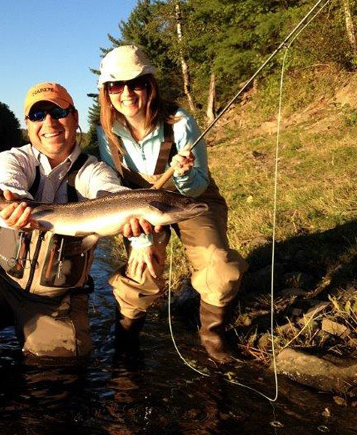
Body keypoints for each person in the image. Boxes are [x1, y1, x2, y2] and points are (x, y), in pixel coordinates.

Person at [0, 82, 153, 364]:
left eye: (58, 112)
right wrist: (11, 208)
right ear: (27, 125)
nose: (49, 122)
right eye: (38, 116)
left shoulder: (94, 170)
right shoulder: (12, 160)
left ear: (75, 118)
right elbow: (5, 185)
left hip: (58, 298)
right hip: (1, 278)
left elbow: (112, 192)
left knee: (60, 373)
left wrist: (138, 227)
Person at [96, 45, 248, 363]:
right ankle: (125, 340)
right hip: (136, 203)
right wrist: (142, 240)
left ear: (150, 84)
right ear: (106, 91)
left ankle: (212, 336)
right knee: (142, 272)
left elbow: (197, 186)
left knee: (218, 266)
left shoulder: (181, 122)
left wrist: (184, 173)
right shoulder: (106, 133)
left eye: (136, 82)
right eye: (116, 85)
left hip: (192, 196)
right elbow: (118, 189)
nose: (126, 93)